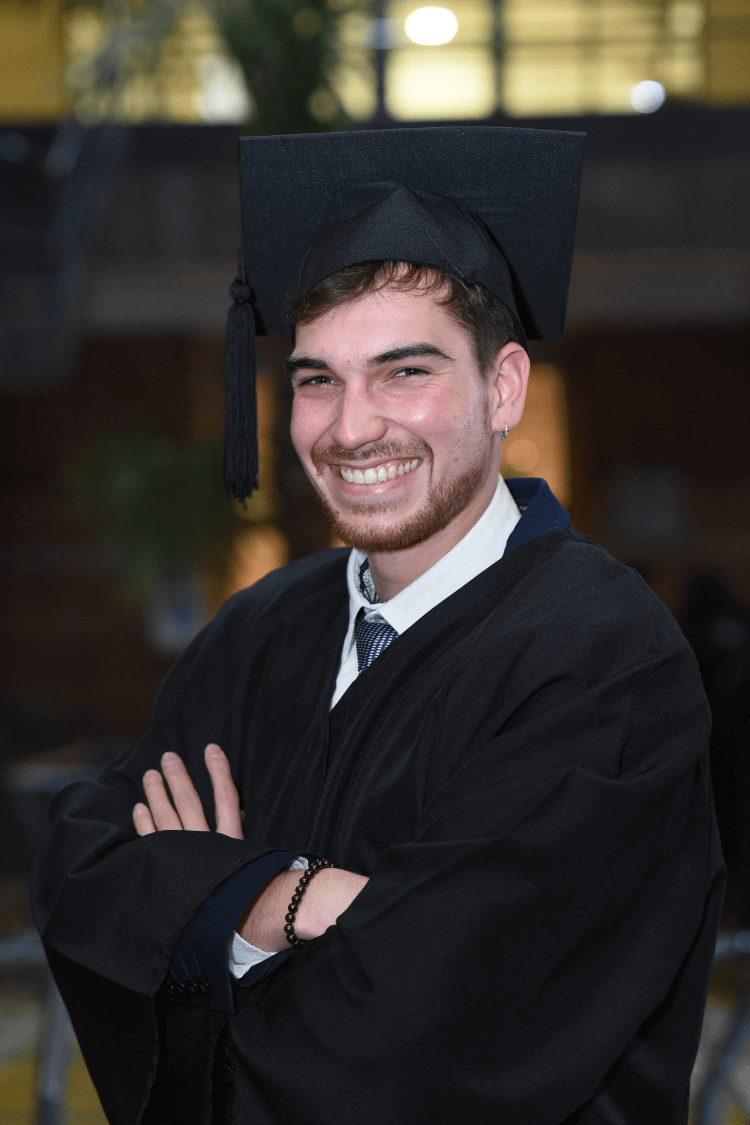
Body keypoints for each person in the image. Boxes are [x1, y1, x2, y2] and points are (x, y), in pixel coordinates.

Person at [33, 127, 724, 1125]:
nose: (352, 426)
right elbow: (82, 867)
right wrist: (286, 898)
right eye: (317, 378)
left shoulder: (605, 658)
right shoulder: (261, 628)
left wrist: (202, 903)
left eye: (405, 372)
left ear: (503, 388)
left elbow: (445, 1025)